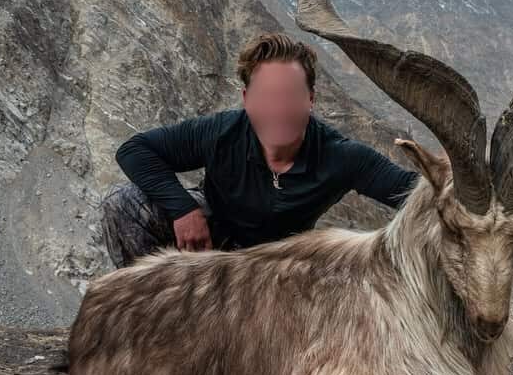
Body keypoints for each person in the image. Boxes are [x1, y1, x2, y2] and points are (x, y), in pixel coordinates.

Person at [100, 32, 420, 267]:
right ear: (246, 99)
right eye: (266, 96)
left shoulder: (342, 156)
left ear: (311, 99)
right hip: (210, 241)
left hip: (278, 264)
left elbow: (416, 193)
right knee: (124, 204)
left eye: (291, 95)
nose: (278, 110)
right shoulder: (221, 131)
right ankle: (155, 324)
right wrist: (183, 209)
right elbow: (134, 150)